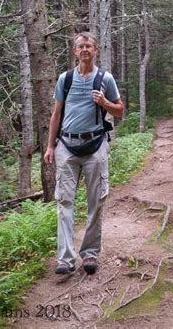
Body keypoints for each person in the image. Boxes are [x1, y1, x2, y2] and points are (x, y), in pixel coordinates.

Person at [44, 32, 124, 275]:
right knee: (64, 202)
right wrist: (50, 146)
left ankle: (90, 255)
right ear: (75, 51)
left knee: (96, 202)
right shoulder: (65, 79)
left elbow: (120, 110)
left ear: (96, 49)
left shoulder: (105, 78)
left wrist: (104, 103)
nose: (84, 49)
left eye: (88, 45)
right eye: (80, 46)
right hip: (66, 148)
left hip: (95, 146)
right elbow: (56, 115)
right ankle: (66, 260)